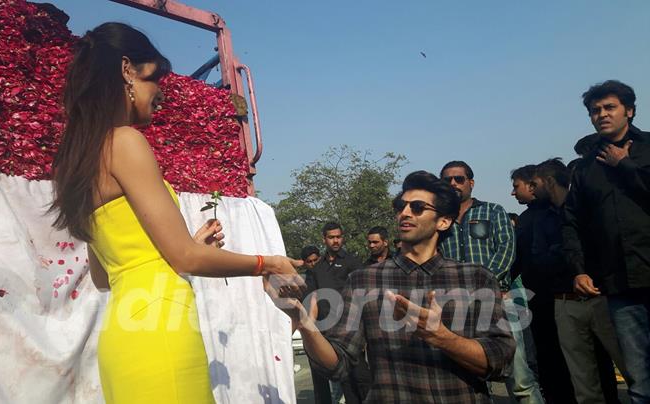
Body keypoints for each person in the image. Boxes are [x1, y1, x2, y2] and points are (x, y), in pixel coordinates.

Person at [50, 22, 304, 404]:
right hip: (160, 337)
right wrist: (268, 262)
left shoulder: (82, 162)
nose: (161, 94)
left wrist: (187, 245)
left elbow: (107, 276)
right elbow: (184, 256)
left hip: (124, 338)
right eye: (156, 79)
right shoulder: (126, 143)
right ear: (127, 70)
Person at [268, 171, 515, 402]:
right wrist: (303, 321)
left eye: (417, 208)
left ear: (444, 222)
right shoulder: (365, 280)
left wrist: (442, 337)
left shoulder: (475, 279)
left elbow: (500, 360)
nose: (405, 213)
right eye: (401, 206)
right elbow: (338, 363)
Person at [563, 80, 650, 403]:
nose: (601, 115)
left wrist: (625, 167)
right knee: (640, 381)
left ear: (629, 110)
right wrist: (579, 270)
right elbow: (572, 223)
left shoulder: (648, 149)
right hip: (620, 286)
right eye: (594, 110)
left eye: (609, 107)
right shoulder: (585, 170)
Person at [439, 161, 543, 404]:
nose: (453, 184)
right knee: (470, 380)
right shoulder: (440, 222)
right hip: (458, 306)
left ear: (471, 183)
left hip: (498, 301)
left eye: (459, 179)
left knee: (520, 379)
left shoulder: (493, 211)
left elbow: (507, 249)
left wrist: (484, 285)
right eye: (447, 180)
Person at [531, 158, 627, 404]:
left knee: (633, 368)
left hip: (601, 298)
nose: (532, 189)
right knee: (583, 381)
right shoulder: (541, 219)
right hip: (564, 302)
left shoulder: (588, 210)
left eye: (536, 182)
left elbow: (603, 249)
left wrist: (565, 254)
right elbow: (539, 260)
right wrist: (567, 253)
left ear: (550, 181)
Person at [511, 163, 577, 403]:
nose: (514, 192)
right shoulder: (529, 217)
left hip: (567, 294)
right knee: (547, 357)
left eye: (518, 186)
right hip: (537, 297)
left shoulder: (561, 210)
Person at [304, 222, 369, 403]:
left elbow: (362, 295)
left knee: (362, 378)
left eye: (338, 237)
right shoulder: (317, 268)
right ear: (324, 239)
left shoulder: (353, 262)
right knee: (345, 382)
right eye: (331, 237)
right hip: (326, 331)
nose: (335, 241)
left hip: (351, 330)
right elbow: (312, 299)